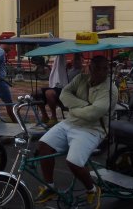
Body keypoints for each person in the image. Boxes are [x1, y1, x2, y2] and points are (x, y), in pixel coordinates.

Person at [35, 55, 118, 206]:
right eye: (98, 68)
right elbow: (64, 94)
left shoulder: (110, 89)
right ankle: (50, 187)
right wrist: (83, 105)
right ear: (90, 68)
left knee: (74, 162)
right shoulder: (81, 78)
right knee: (43, 146)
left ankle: (92, 189)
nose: (103, 72)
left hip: (92, 129)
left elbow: (93, 113)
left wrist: (73, 109)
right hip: (69, 123)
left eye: (106, 68)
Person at [39, 53, 83, 126]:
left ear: (82, 61)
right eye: (75, 59)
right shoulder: (69, 69)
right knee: (37, 92)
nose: (76, 61)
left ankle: (54, 117)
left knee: (49, 93)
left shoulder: (82, 71)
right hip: (59, 87)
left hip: (69, 91)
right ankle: (44, 115)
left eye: (78, 59)